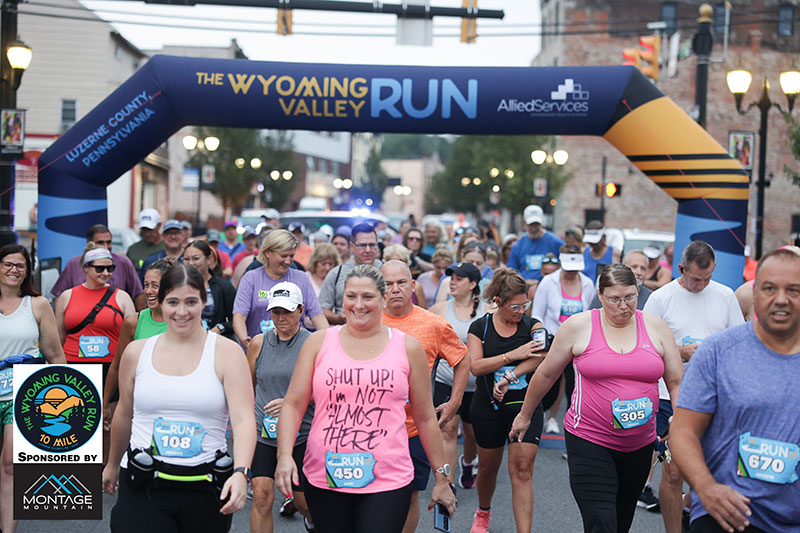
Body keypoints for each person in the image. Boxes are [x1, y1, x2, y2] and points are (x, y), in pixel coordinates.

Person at [274, 265, 456, 533]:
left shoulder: (408, 347)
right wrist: (284, 456)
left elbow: (425, 417)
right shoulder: (318, 343)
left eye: (368, 297)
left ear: (383, 299)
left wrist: (442, 478)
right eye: (351, 296)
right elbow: (293, 404)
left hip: (388, 477)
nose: (358, 305)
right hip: (327, 474)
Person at [509, 264, 683, 533]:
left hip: (640, 443)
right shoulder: (579, 326)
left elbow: (675, 380)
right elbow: (546, 374)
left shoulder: (655, 327)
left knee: (621, 521)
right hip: (589, 439)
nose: (624, 306)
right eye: (615, 299)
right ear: (600, 296)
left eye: (630, 297)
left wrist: (679, 419)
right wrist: (525, 414)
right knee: (601, 523)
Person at [102, 264, 256, 532]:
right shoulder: (137, 353)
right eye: (173, 302)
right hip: (143, 482)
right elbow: (125, 413)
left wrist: (241, 472)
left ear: (204, 302)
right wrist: (112, 464)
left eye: (191, 302)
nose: (181, 311)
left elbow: (243, 419)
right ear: (160, 302)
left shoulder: (227, 353)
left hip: (205, 487)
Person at [670, 247, 800, 533]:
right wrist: (705, 489)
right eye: (769, 288)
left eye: (794, 290)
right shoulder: (718, 352)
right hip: (724, 514)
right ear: (754, 296)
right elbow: (682, 431)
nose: (781, 299)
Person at [643, 241, 744, 533]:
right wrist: (680, 353)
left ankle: (690, 507)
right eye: (695, 278)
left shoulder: (725, 296)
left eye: (708, 278)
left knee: (712, 469)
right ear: (681, 269)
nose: (701, 285)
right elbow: (646, 348)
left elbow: (739, 345)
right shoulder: (662, 298)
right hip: (667, 397)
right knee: (673, 472)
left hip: (713, 399)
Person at [379, 260, 469, 533]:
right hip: (372, 429)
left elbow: (462, 360)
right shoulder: (367, 320)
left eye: (401, 282)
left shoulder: (433, 324)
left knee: (409, 497)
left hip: (413, 428)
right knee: (373, 497)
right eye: (388, 284)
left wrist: (455, 402)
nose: (395, 289)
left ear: (412, 285)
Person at [466, 268, 549, 533]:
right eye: (516, 305)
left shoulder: (532, 325)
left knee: (522, 469)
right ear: (499, 302)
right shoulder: (481, 327)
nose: (521, 310)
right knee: (488, 469)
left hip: (525, 407)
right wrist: (514, 354)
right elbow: (476, 367)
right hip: (487, 407)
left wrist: (510, 375)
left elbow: (541, 354)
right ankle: (483, 511)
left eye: (525, 304)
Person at [0, 244, 66, 533]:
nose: (14, 270)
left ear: (28, 270)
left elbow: (54, 353)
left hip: (21, 393)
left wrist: (72, 394)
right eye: (8, 264)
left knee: (11, 463)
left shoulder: (38, 305)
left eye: (20, 265)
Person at [246, 282, 315, 533]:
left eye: (287, 311)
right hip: (264, 432)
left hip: (302, 434)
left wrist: (292, 401)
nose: (281, 317)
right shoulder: (258, 343)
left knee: (303, 502)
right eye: (276, 312)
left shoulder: (314, 343)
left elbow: (326, 393)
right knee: (263, 497)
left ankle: (311, 520)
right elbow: (247, 387)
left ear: (301, 310)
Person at [429, 262, 485, 491]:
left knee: (472, 434)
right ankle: (448, 482)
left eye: (459, 278)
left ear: (473, 284)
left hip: (477, 384)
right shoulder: (439, 310)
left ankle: (468, 462)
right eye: (451, 277)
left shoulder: (488, 309)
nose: (452, 281)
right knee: (448, 430)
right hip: (446, 381)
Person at [532, 244, 596, 435]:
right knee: (548, 385)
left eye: (575, 268)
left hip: (579, 343)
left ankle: (574, 432)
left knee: (575, 388)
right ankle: (534, 416)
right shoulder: (548, 282)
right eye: (568, 267)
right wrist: (540, 340)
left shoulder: (587, 283)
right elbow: (537, 314)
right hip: (553, 340)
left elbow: (591, 314)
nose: (571, 272)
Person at [102, 258, 173, 430]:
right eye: (146, 285)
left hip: (172, 405)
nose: (148, 291)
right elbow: (117, 366)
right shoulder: (133, 321)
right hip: (138, 408)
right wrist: (104, 405)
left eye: (155, 286)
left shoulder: (182, 322)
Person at [233, 230, 327, 347]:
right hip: (259, 349)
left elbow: (317, 315)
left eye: (291, 256)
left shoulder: (301, 278)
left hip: (294, 349)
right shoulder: (251, 278)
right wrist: (245, 340)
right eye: (283, 256)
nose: (288, 261)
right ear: (268, 253)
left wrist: (327, 341)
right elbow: (239, 315)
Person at [56, 243, 136, 366]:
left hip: (110, 366)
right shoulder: (67, 296)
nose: (105, 273)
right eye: (99, 268)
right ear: (86, 267)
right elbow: (58, 337)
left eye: (110, 269)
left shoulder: (122, 297)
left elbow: (132, 337)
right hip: (73, 364)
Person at [52, 223, 145, 310]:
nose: (106, 246)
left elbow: (137, 294)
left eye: (110, 268)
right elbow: (59, 296)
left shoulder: (123, 262)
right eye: (100, 242)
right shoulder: (73, 264)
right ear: (86, 267)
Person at [319, 223, 382, 326]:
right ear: (352, 246)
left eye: (372, 245)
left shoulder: (387, 271)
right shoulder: (337, 273)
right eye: (362, 245)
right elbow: (321, 309)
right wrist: (338, 318)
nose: (368, 250)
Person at [183, 240, 236, 338]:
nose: (190, 263)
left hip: (215, 342)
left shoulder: (224, 287)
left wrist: (221, 328)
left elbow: (237, 319)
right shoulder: (177, 286)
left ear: (209, 259)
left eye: (196, 258)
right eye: (186, 259)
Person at [507, 204, 565, 281]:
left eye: (536, 224)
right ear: (524, 223)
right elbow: (511, 272)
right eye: (531, 225)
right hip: (524, 288)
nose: (534, 229)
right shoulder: (518, 246)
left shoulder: (557, 243)